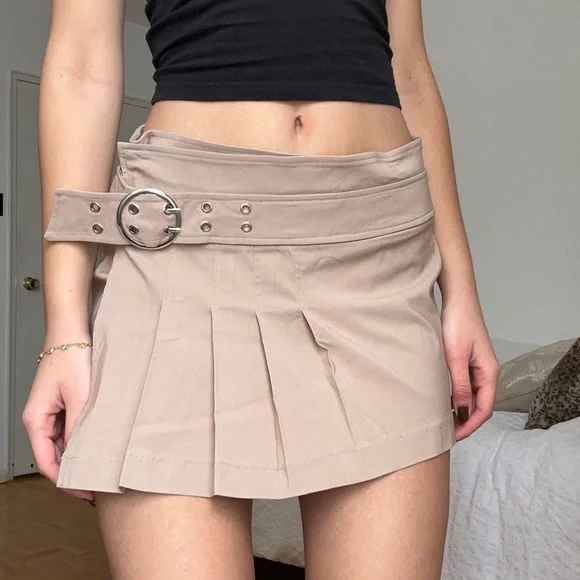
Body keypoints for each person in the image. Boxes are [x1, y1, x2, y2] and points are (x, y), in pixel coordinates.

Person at [23, 1, 499, 578]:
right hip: (182, 251)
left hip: (377, 254)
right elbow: (80, 66)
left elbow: (410, 72)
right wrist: (65, 333)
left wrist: (462, 292)